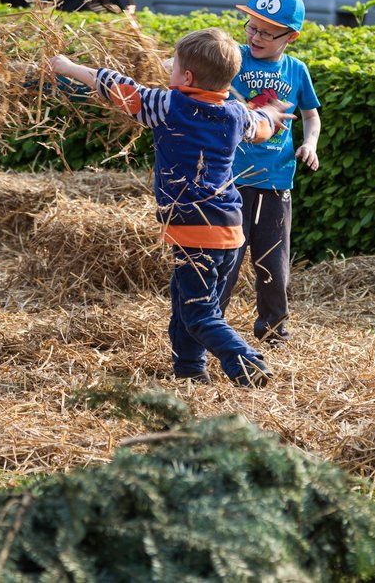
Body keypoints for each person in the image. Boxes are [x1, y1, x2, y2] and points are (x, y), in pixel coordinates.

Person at [48, 27, 290, 386]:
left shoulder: (168, 106)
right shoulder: (236, 114)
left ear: (187, 77)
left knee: (199, 314)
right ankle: (190, 373)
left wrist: (68, 66)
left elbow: (116, 86)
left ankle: (246, 362)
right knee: (184, 305)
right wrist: (270, 113)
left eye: (174, 67)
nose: (169, 73)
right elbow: (263, 127)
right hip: (227, 229)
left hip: (195, 229)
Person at [217, 0, 321, 346]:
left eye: (266, 31)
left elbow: (311, 116)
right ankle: (210, 325)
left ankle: (274, 332)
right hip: (232, 180)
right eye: (251, 26)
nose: (255, 36)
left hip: (277, 181)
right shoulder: (232, 59)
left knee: (273, 266)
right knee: (227, 261)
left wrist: (310, 143)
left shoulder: (297, 70)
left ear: (290, 36)